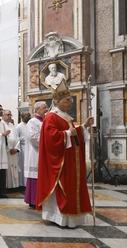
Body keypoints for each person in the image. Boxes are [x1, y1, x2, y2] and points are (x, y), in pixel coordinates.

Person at [37, 80, 93, 228]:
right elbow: (50, 138)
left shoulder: (66, 117)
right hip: (60, 162)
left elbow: (75, 134)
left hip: (71, 160)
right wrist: (68, 133)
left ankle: (71, 218)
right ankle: (58, 217)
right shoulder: (51, 117)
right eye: (67, 100)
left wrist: (84, 126)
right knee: (63, 189)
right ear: (57, 101)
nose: (70, 103)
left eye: (70, 100)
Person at [24, 102, 47, 208]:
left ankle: (41, 199)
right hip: (35, 153)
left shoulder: (45, 121)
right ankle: (33, 200)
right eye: (44, 108)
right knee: (35, 176)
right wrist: (46, 141)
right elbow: (32, 137)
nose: (46, 109)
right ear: (37, 110)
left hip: (44, 153)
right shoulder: (32, 122)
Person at [2, 110, 21, 189]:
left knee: (14, 167)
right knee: (8, 168)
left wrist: (16, 149)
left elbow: (17, 138)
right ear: (3, 115)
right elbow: (3, 138)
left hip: (14, 151)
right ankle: (7, 186)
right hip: (6, 151)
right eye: (8, 114)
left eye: (10, 114)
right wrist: (8, 149)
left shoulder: (12, 125)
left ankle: (14, 186)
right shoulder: (1, 124)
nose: (10, 116)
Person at [16, 111, 31, 188]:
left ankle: (28, 182)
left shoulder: (30, 125)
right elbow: (16, 138)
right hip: (22, 149)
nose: (29, 117)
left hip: (30, 148)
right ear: (22, 117)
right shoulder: (19, 126)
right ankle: (22, 183)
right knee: (22, 166)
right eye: (27, 115)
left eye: (29, 115)